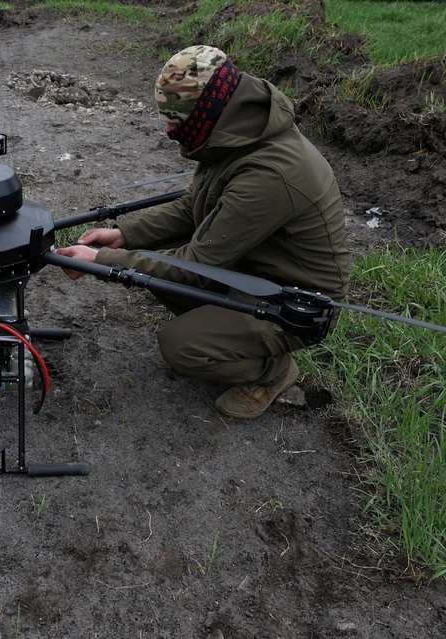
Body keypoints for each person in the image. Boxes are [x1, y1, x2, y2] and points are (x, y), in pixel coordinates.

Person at [53, 45, 349, 419]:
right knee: (156, 252)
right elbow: (192, 206)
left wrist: (102, 260)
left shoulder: (269, 174)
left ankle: (273, 372)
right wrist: (125, 235)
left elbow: (195, 266)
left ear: (206, 111)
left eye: (177, 121)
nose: (169, 131)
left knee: (180, 345)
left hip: (295, 302)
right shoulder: (233, 131)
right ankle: (224, 329)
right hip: (256, 263)